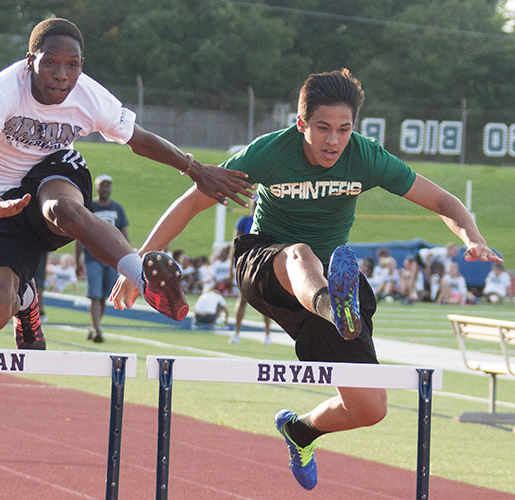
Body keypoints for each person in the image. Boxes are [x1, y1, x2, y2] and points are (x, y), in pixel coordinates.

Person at [110, 68, 501, 490]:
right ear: (302, 124)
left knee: (370, 407)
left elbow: (442, 199)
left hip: (328, 275)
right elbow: (190, 204)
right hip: (266, 263)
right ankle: (336, 307)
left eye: (343, 129)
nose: (333, 140)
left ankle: (301, 431)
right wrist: (135, 265)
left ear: (355, 127)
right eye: (322, 128)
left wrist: (472, 236)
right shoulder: (268, 154)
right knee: (301, 253)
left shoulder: (366, 157)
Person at [0, 17, 251, 350]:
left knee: (62, 209)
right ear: (29, 61)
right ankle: (26, 300)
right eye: (49, 63)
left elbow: (139, 140)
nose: (61, 75)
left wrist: (194, 168)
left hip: (53, 173)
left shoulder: (89, 96)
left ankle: (144, 278)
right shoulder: (3, 91)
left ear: (81, 66)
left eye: (72, 65)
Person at [74, 174, 130, 343]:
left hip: (112, 258)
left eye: (108, 186)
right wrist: (77, 260)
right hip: (93, 256)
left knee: (105, 295)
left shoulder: (117, 209)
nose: (105, 189)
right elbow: (79, 233)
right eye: (102, 186)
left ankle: (95, 326)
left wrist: (128, 258)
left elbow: (123, 235)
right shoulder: (89, 207)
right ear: (97, 187)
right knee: (95, 294)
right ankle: (96, 327)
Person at [232, 197, 272, 344]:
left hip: (262, 264)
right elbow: (235, 243)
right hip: (245, 264)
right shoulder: (244, 221)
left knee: (265, 299)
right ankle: (236, 332)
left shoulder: (267, 221)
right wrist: (233, 264)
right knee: (242, 299)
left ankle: (267, 333)